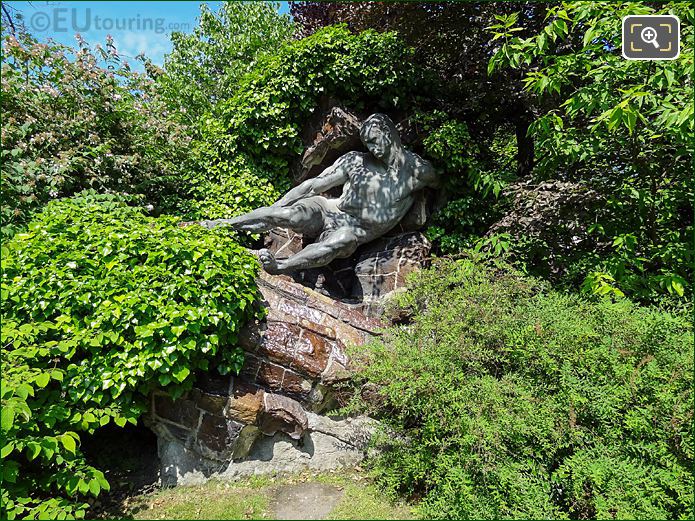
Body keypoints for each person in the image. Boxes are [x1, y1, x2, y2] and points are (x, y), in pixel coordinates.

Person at [190, 113, 439, 274]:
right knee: (290, 215)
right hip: (329, 209)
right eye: (368, 144)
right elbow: (311, 186)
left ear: (390, 133)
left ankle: (281, 266)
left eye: (376, 140)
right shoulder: (356, 161)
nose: (373, 149)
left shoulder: (418, 173)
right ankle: (223, 224)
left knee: (339, 241)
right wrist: (275, 210)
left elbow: (444, 187)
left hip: (353, 230)